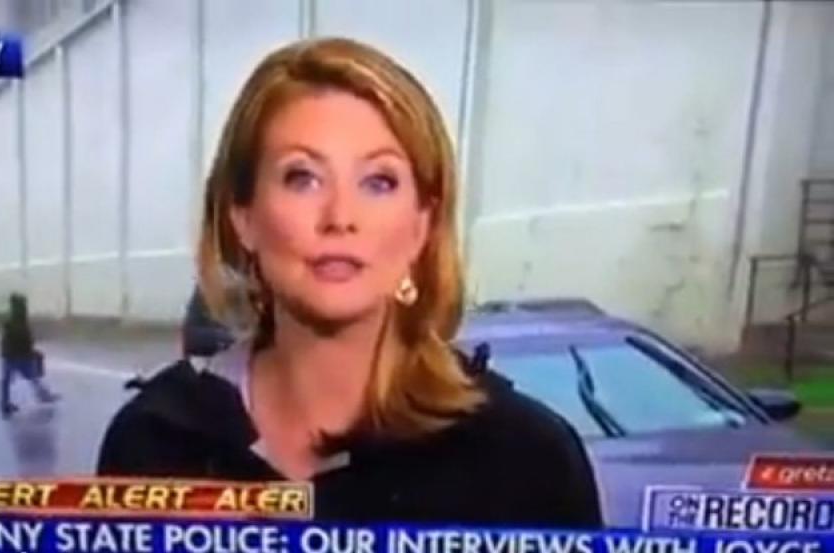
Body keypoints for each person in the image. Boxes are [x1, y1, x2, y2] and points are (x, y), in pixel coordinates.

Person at [97, 37, 603, 526]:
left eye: (378, 182)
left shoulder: (525, 461)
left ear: (421, 226)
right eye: (303, 178)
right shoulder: (154, 441)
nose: (340, 217)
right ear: (243, 217)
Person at [0, 293, 58, 417]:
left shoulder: (10, 322)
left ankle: (4, 404)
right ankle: (44, 396)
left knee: (6, 380)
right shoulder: (21, 321)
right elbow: (26, 340)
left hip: (9, 355)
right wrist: (32, 352)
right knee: (33, 377)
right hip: (21, 355)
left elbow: (9, 340)